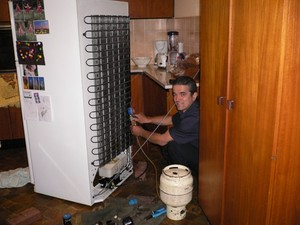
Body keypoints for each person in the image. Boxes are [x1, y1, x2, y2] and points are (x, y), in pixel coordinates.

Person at [131, 76, 199, 175]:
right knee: (171, 143)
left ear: (194, 96)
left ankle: (181, 177)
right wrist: (148, 119)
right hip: (195, 149)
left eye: (182, 94)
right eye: (175, 94)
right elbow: (170, 119)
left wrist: (140, 132)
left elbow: (162, 140)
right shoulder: (192, 108)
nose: (177, 99)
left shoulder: (192, 119)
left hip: (203, 162)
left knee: (172, 145)